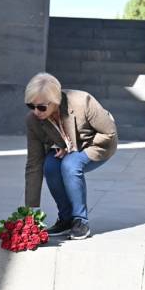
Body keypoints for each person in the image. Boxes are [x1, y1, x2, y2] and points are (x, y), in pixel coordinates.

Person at [24, 72, 117, 240]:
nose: (36, 112)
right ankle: (66, 218)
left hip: (97, 144)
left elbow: (109, 133)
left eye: (42, 107)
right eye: (31, 106)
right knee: (50, 166)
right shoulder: (33, 121)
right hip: (65, 146)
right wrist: (31, 211)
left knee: (70, 164)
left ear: (56, 101)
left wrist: (72, 146)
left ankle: (80, 221)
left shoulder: (83, 102)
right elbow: (33, 164)